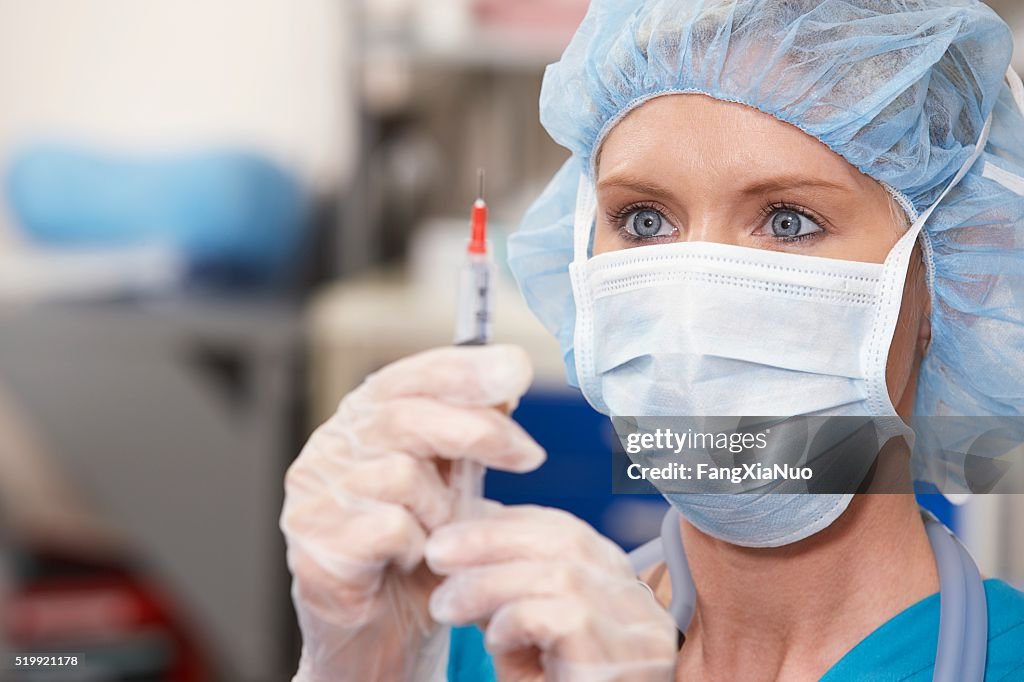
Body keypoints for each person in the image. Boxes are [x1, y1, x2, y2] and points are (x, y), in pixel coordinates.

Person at [280, 1, 1024, 679]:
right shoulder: (486, 645)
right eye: (643, 220)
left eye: (788, 220)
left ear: (958, 270)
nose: (693, 307)